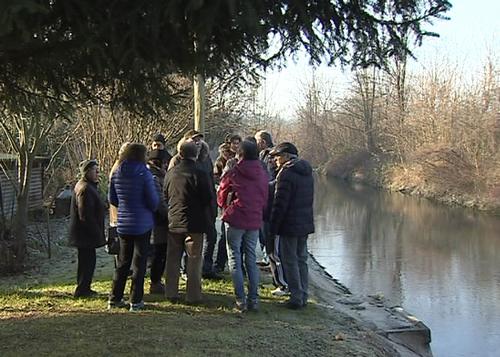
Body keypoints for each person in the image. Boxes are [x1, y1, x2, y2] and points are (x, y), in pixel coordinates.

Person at [217, 140, 269, 312]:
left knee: (234, 258)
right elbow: (265, 197)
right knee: (251, 258)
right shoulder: (262, 173)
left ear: (240, 154)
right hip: (254, 219)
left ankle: (240, 300)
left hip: (235, 218)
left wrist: (226, 206)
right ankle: (254, 299)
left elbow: (221, 196)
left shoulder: (233, 172)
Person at [108, 143, 159, 311]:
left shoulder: (117, 172)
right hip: (142, 223)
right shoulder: (144, 174)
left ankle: (114, 298)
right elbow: (153, 201)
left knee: (123, 262)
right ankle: (135, 300)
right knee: (139, 263)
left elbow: (112, 199)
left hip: (123, 223)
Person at [164, 141, 212, 304]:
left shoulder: (170, 173)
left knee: (172, 257)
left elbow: (165, 195)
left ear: (180, 154)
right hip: (195, 222)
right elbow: (207, 198)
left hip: (174, 220)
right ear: (196, 155)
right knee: (194, 258)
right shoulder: (200, 173)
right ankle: (193, 295)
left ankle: (170, 291)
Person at [269, 142, 314, 310]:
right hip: (305, 222)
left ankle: (296, 297)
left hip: (289, 224)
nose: (276, 160)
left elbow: (280, 203)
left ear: (287, 156)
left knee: (289, 260)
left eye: (278, 156)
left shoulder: (286, 173)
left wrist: (273, 226)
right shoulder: (307, 171)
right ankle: (304, 294)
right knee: (302, 259)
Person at [255, 130, 288, 296]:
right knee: (268, 240)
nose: (274, 161)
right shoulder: (268, 158)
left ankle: (282, 283)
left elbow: (269, 182)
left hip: (269, 207)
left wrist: (261, 188)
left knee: (273, 245)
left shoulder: (270, 159)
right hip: (268, 206)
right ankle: (278, 276)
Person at [69, 159, 106, 297]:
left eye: (98, 170)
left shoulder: (87, 186)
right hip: (85, 234)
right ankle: (83, 289)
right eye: (94, 170)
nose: (97, 173)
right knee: (87, 262)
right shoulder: (85, 189)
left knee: (87, 261)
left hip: (85, 233)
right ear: (87, 172)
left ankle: (84, 287)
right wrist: (96, 232)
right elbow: (85, 215)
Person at [147, 149, 170, 294]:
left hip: (157, 220)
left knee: (160, 252)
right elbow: (159, 202)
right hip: (159, 221)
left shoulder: (156, 175)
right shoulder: (155, 178)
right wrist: (169, 215)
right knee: (159, 253)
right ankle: (155, 282)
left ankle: (156, 280)